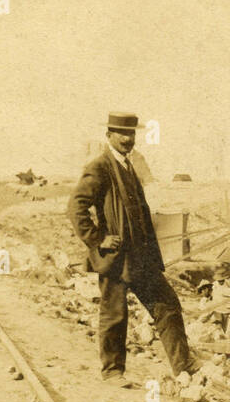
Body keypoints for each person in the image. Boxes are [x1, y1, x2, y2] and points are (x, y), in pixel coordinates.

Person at [67, 112, 196, 383]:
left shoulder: (129, 165)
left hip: (141, 257)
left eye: (132, 134)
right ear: (109, 136)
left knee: (167, 305)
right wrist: (97, 239)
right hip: (115, 257)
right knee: (115, 314)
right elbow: (76, 206)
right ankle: (113, 371)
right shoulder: (100, 166)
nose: (128, 139)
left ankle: (183, 366)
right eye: (122, 133)